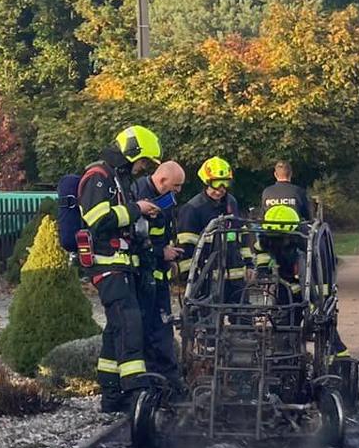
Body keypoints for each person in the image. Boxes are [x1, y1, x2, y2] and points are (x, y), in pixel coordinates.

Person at [78, 125, 163, 412]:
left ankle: (111, 394)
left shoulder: (119, 179)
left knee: (116, 328)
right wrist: (137, 208)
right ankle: (135, 388)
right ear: (132, 152)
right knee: (129, 323)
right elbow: (97, 219)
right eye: (144, 161)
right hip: (106, 265)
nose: (143, 168)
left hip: (122, 266)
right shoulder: (98, 177)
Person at [256, 202, 349, 366]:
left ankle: (339, 357)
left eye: (281, 238)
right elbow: (261, 249)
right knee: (284, 325)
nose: (276, 241)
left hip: (311, 287)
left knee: (321, 322)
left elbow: (319, 276)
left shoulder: (309, 243)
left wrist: (318, 301)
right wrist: (263, 269)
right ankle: (286, 359)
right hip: (286, 284)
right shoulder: (267, 235)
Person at [133, 159, 186, 397]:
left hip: (158, 276)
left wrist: (167, 251)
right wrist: (160, 252)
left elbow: (159, 233)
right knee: (150, 331)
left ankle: (169, 384)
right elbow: (134, 241)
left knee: (163, 328)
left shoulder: (160, 197)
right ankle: (154, 385)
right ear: (162, 179)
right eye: (175, 185)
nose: (178, 191)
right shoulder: (139, 197)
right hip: (143, 278)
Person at [173, 156, 249, 303]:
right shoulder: (192, 209)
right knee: (208, 322)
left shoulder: (231, 202)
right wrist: (192, 281)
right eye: (216, 183)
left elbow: (242, 234)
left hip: (236, 279)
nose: (220, 189)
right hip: (206, 280)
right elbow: (186, 247)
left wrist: (249, 264)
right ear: (206, 182)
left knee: (243, 321)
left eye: (225, 183)